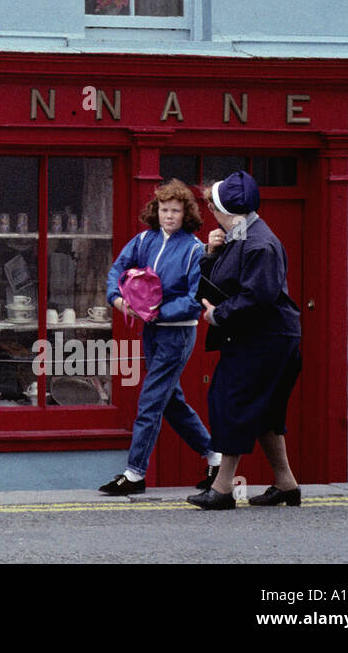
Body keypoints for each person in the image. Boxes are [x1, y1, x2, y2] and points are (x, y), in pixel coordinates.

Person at [187, 171, 302, 510]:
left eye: (214, 207)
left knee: (229, 403)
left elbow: (258, 296)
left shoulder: (259, 244)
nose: (212, 214)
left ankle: (222, 489)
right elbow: (219, 281)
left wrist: (217, 316)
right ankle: (286, 484)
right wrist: (211, 252)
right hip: (265, 337)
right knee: (265, 413)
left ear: (230, 210)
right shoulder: (241, 234)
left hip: (265, 339)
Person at [98, 179, 221, 496]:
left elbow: (195, 300)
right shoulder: (143, 240)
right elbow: (117, 270)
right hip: (151, 332)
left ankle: (135, 473)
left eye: (176, 210)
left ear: (186, 214)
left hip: (177, 335)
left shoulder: (194, 249)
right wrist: (118, 299)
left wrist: (154, 311)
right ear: (157, 211)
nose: (169, 215)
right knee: (172, 403)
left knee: (150, 402)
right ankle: (214, 455)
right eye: (164, 209)